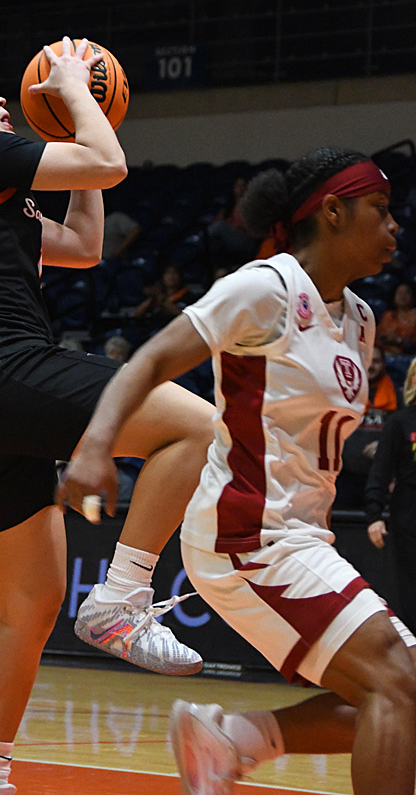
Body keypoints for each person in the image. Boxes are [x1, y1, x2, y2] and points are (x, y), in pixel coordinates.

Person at [0, 42, 214, 795]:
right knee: (193, 426)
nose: (0, 96)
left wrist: (68, 127)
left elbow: (87, 245)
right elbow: (109, 165)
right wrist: (74, 92)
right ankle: (124, 596)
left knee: (26, 608)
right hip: (4, 367)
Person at [58, 148, 416, 795]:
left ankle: (231, 741)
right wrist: (94, 446)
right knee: (396, 676)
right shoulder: (265, 287)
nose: (396, 228)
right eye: (382, 212)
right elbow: (147, 362)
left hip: (301, 536)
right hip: (244, 534)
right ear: (333, 212)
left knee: (403, 692)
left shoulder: (361, 320)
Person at [365, 356, 416, 635]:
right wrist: (374, 514)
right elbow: (381, 470)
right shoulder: (401, 422)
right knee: (410, 588)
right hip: (409, 518)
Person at [334, 344, 397, 508]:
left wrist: (384, 446)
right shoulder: (341, 394)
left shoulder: (399, 396)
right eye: (368, 361)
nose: (371, 366)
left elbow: (408, 432)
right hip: (345, 477)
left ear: (384, 364)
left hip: (383, 479)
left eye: (376, 361)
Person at [133, 262, 196, 330]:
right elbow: (137, 314)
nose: (171, 276)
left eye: (174, 273)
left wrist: (162, 300)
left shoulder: (187, 295)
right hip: (154, 329)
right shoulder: (157, 294)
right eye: (168, 273)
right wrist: (151, 298)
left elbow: (181, 314)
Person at [376, 280, 416, 356]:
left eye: (407, 293)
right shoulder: (388, 315)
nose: (402, 296)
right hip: (384, 355)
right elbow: (379, 337)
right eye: (399, 293)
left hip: (408, 356)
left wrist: (398, 340)